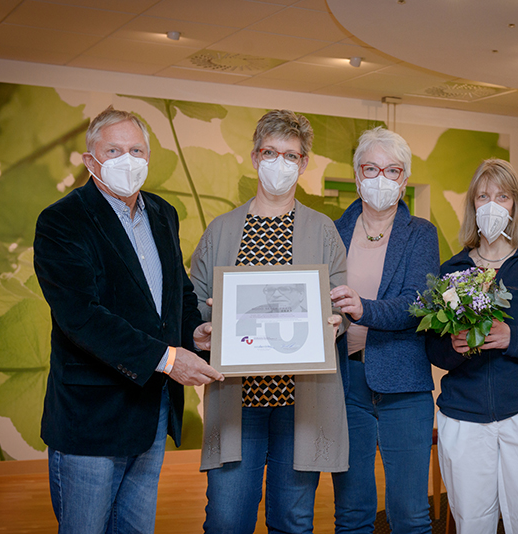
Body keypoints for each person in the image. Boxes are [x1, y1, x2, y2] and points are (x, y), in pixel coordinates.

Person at [33, 106, 224, 534]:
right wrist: (169, 359)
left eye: (136, 149)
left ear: (148, 158)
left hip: (150, 410)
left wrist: (192, 334)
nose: (127, 159)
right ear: (90, 160)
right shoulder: (62, 221)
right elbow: (80, 317)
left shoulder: (162, 213)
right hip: (92, 417)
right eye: (113, 150)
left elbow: (178, 293)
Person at [190, 109, 349, 534]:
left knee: (293, 522)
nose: (280, 163)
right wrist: (201, 330)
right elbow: (195, 301)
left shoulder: (323, 230)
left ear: (304, 163)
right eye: (271, 152)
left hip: (300, 405)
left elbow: (339, 302)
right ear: (255, 156)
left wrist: (335, 321)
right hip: (237, 404)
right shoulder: (221, 230)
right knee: (226, 521)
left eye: (291, 155)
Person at [426, 158, 518, 534]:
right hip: (464, 417)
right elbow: (434, 350)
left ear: (515, 206)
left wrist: (512, 338)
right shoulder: (452, 272)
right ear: (472, 205)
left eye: (502, 196)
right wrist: (455, 348)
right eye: (483, 196)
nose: (492, 205)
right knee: (472, 523)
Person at [330, 127, 440, 533]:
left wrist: (363, 308)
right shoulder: (331, 231)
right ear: (357, 176)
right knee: (352, 512)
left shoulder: (421, 233)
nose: (381, 178)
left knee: (409, 513)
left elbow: (418, 305)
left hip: (403, 387)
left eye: (392, 170)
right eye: (371, 168)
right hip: (346, 385)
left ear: (404, 180)